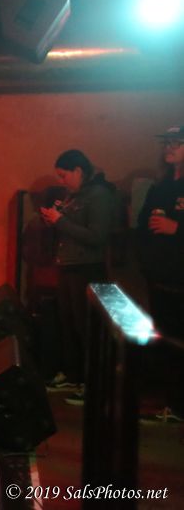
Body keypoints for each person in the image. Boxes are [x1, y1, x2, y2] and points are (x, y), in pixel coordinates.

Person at [39, 149, 114, 405]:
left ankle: (92, 384)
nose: (62, 181)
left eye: (64, 175)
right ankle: (74, 375)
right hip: (68, 266)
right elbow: (70, 227)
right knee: (68, 323)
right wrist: (53, 219)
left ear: (79, 171)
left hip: (88, 268)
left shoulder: (99, 195)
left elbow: (97, 237)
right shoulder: (73, 195)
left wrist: (60, 220)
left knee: (86, 327)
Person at [137, 125, 184, 423]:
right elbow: (143, 223)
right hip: (159, 276)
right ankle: (168, 403)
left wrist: (176, 228)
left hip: (181, 279)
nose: (169, 147)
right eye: (166, 142)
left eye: (176, 142)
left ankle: (179, 406)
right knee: (165, 341)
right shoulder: (161, 186)